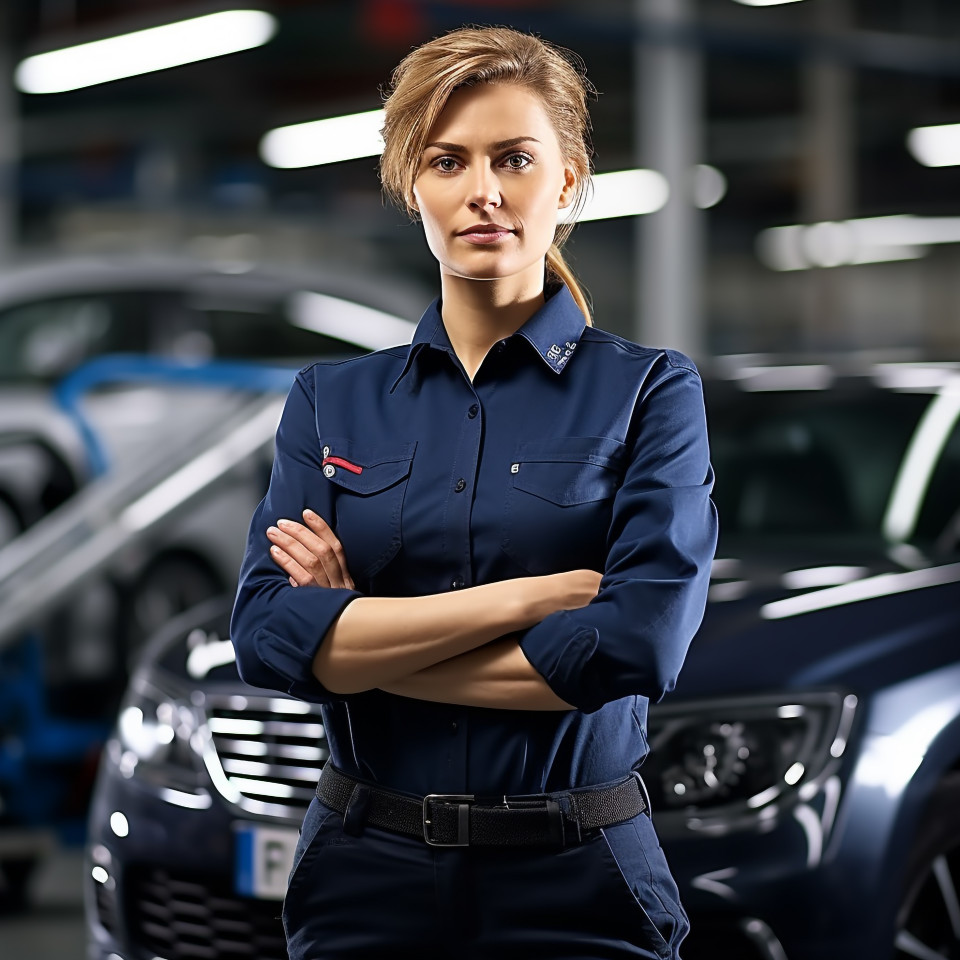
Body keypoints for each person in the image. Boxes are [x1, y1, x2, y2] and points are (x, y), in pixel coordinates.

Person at [231, 24, 718, 960]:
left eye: (515, 158)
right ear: (413, 185)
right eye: (448, 160)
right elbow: (263, 635)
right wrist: (530, 599)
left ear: (567, 182)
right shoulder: (330, 401)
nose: (483, 191)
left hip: (577, 876)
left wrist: (348, 645)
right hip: (362, 874)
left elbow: (635, 647)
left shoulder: (652, 391)